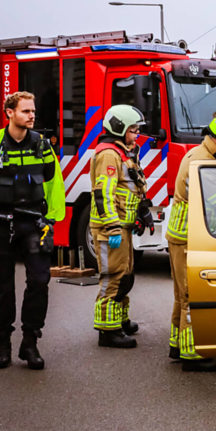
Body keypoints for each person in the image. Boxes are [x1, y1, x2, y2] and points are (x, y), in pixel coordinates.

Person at [0, 91, 66, 371]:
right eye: (25, 111)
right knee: (3, 287)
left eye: (33, 111)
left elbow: (54, 185)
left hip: (34, 225)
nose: (32, 116)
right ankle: (2, 345)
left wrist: (50, 222)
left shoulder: (42, 145)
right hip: (0, 225)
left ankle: (30, 343)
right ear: (9, 113)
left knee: (40, 282)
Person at [166, 111, 216, 372]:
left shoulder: (201, 156)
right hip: (189, 236)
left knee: (181, 295)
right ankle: (192, 355)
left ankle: (177, 345)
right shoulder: (202, 163)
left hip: (183, 234)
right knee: (192, 295)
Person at [90, 104, 150, 349]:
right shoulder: (108, 154)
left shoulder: (124, 151)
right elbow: (103, 193)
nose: (137, 134)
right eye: (133, 129)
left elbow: (131, 186)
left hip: (122, 225)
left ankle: (120, 320)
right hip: (110, 228)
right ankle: (107, 331)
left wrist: (140, 212)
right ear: (119, 128)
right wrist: (113, 226)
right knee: (112, 277)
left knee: (126, 276)